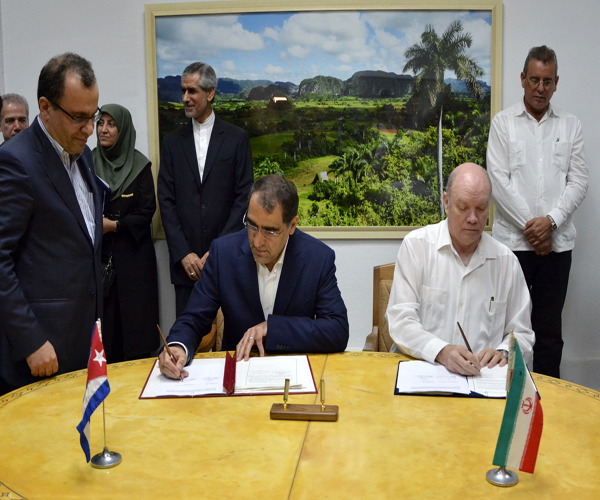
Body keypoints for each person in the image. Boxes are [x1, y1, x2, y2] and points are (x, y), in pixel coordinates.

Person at [159, 174, 349, 380]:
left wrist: (271, 328)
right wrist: (178, 346)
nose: (257, 241)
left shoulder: (318, 258)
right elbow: (194, 318)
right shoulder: (223, 253)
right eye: (252, 225)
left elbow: (337, 330)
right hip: (237, 376)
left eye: (270, 231)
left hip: (293, 377)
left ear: (292, 225)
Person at [0, 53, 103, 394]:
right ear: (45, 107)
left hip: (85, 342)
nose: (90, 129)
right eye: (78, 117)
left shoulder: (84, 154)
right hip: (42, 353)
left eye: (94, 115)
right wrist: (30, 341)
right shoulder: (17, 162)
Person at [487, 46, 588, 378]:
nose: (540, 88)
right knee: (508, 330)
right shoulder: (503, 124)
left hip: (557, 249)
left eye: (547, 81)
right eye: (534, 80)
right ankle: (504, 398)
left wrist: (551, 223)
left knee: (548, 334)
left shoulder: (571, 126)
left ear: (556, 83)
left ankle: (546, 408)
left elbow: (579, 181)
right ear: (522, 79)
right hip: (512, 247)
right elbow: (499, 182)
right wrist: (534, 230)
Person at [386, 163, 535, 376]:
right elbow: (401, 321)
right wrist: (442, 352)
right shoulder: (417, 247)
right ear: (446, 202)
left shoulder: (506, 262)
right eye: (463, 207)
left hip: (482, 382)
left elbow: (522, 333)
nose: (473, 218)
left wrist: (504, 352)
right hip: (423, 375)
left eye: (481, 209)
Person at [157, 61, 253, 318]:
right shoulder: (171, 144)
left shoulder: (236, 139)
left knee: (230, 347)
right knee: (188, 346)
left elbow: (244, 197)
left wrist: (218, 250)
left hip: (228, 262)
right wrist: (183, 253)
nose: (185, 98)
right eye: (183, 91)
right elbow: (165, 201)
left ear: (210, 94)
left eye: (192, 91)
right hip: (186, 268)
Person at [92, 104, 159, 362]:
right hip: (100, 263)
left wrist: (115, 226)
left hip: (134, 261)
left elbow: (147, 211)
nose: (104, 130)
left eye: (111, 124)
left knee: (136, 334)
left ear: (123, 129)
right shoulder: (87, 163)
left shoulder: (140, 166)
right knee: (106, 338)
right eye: (101, 123)